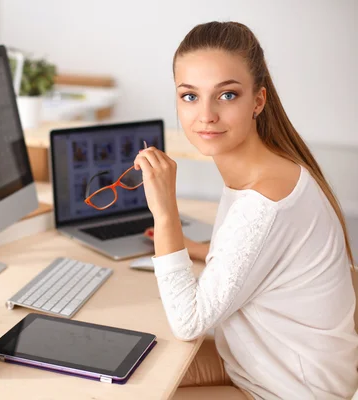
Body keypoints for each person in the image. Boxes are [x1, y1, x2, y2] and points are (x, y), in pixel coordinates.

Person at [135, 21, 358, 399]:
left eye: (227, 96)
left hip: (288, 389)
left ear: (258, 101)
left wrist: (165, 211)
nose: (205, 115)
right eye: (190, 96)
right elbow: (267, 256)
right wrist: (200, 250)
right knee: (135, 371)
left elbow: (188, 322)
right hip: (258, 363)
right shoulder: (268, 168)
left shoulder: (263, 201)